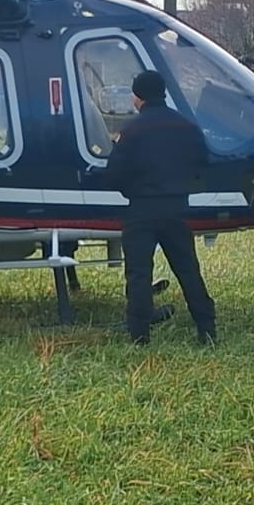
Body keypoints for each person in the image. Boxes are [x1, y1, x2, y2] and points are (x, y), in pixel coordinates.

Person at [103, 69, 217, 344]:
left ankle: (140, 335)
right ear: (163, 92)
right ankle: (207, 329)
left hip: (141, 210)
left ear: (137, 97)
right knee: (188, 270)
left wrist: (132, 191)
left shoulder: (131, 131)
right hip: (177, 209)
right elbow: (203, 163)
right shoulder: (185, 127)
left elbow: (113, 174)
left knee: (139, 274)